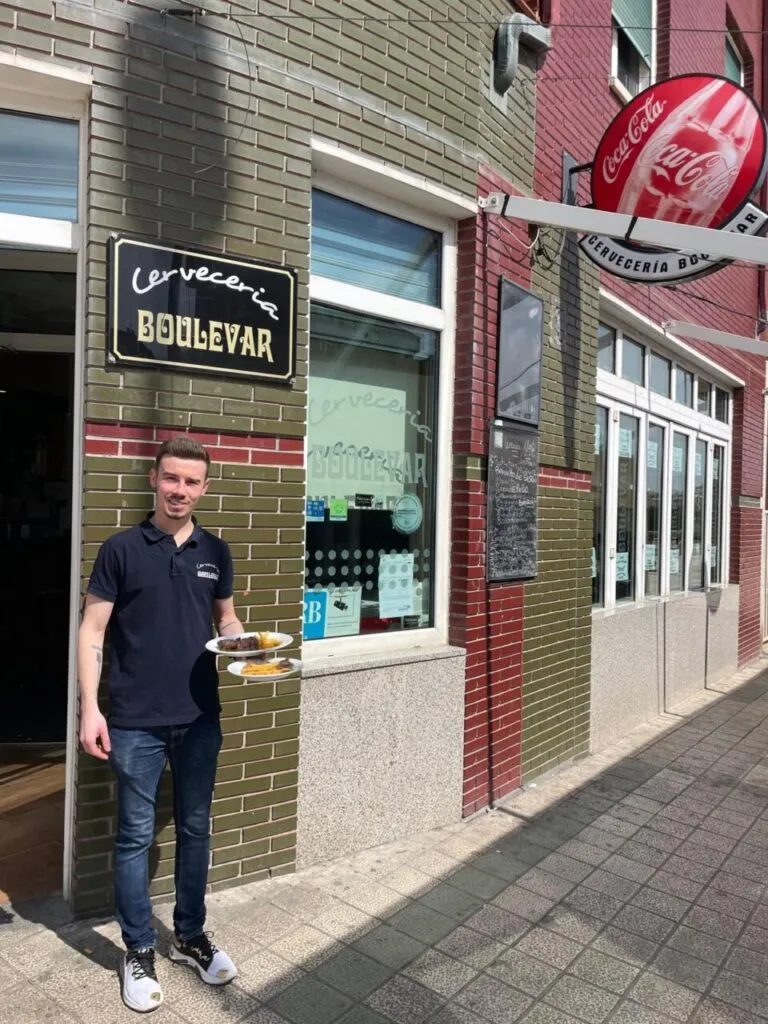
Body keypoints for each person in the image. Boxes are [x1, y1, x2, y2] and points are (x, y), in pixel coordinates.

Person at [77, 436, 244, 1013]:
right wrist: (90, 708)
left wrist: (246, 646)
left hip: (199, 717)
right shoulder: (121, 549)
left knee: (196, 827)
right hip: (133, 721)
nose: (180, 491)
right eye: (172, 478)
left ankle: (190, 937)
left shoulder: (215, 550)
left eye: (192, 482)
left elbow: (225, 618)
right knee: (134, 836)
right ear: (154, 478)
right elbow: (92, 632)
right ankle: (139, 949)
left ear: (204, 487)